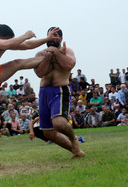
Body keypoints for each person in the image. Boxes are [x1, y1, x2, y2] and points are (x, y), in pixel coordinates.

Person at [0, 24, 60, 169]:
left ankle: (51, 58)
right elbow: (10, 43)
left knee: (17, 63)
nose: (8, 45)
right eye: (7, 40)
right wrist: (25, 35)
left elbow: (26, 45)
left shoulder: (5, 43)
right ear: (0, 37)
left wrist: (46, 39)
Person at [34, 27, 85, 159]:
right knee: (48, 133)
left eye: (55, 35)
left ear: (61, 38)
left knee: (59, 123)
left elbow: (69, 65)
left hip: (59, 90)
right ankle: (76, 151)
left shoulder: (67, 51)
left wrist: (56, 53)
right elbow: (40, 73)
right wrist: (49, 55)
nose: (52, 37)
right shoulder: (40, 53)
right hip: (43, 93)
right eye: (50, 35)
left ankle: (73, 137)